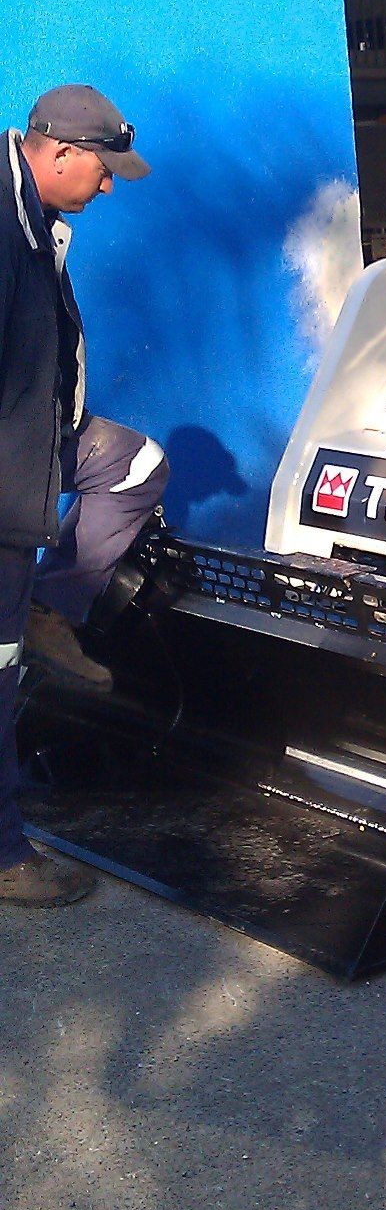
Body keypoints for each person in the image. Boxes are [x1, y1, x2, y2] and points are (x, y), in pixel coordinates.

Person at [0, 85, 169, 910]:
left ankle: (49, 608)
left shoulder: (32, 218)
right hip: (4, 474)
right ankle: (2, 855)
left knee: (135, 464)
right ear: (59, 151)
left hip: (36, 439)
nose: (108, 189)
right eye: (104, 173)